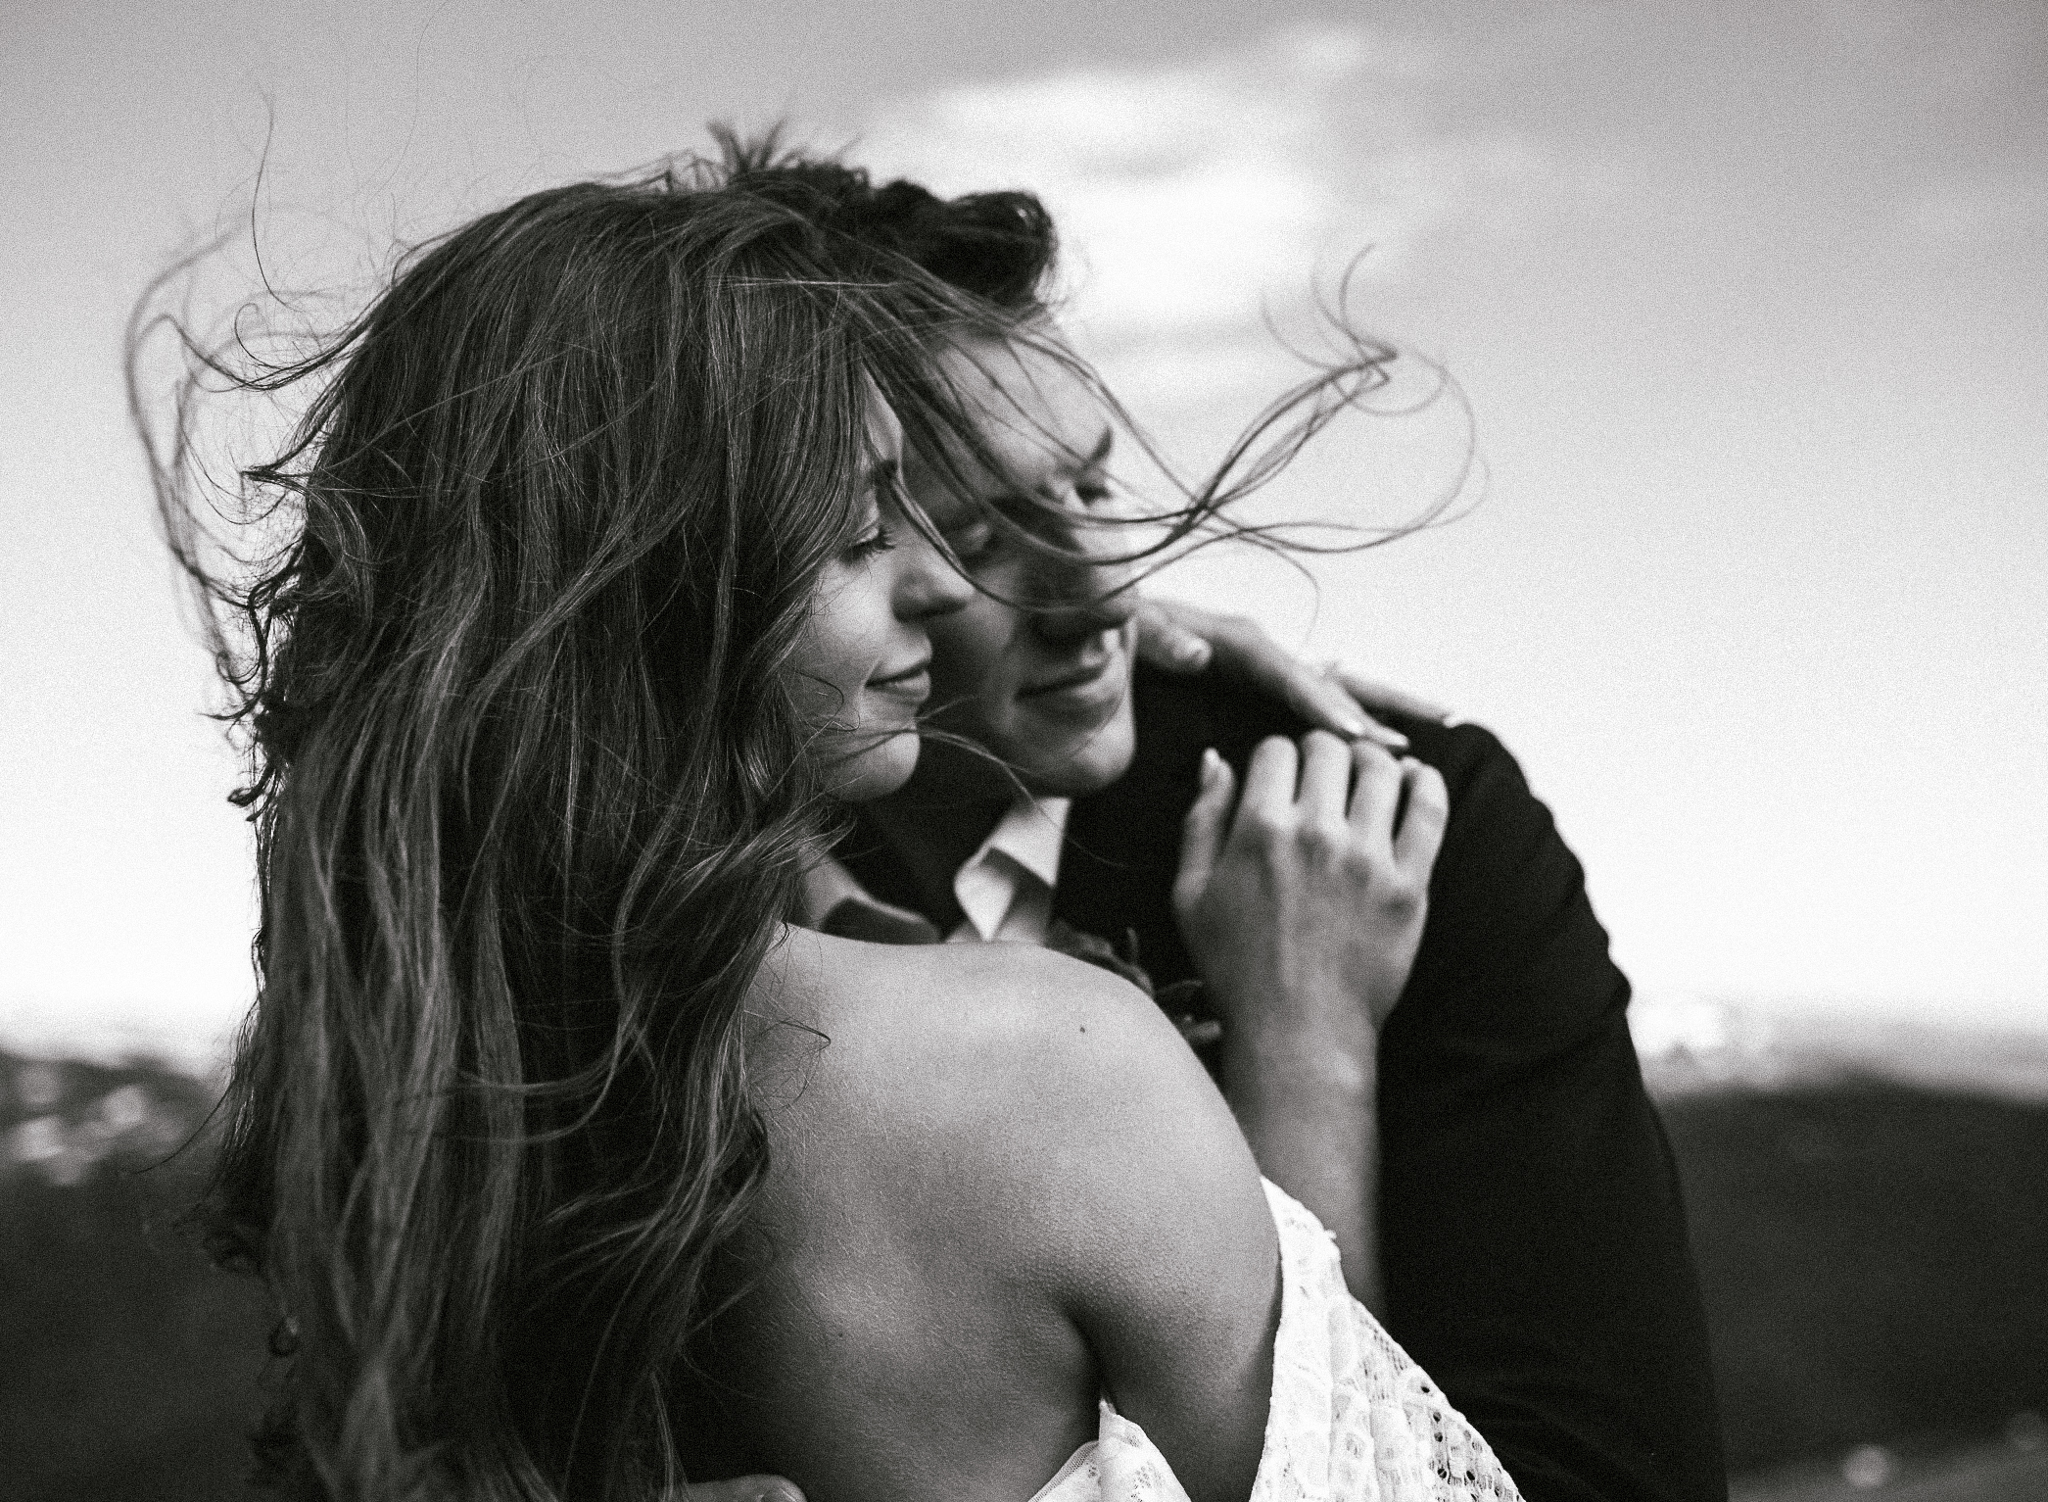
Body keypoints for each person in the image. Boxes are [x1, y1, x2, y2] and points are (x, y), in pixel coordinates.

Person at [138, 150, 1519, 1501]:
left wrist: (1086, 634)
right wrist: (1306, 1041)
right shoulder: (1055, 1073)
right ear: (680, 592)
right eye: (868, 532)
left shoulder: (427, 1098)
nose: (929, 581)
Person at [737, 158, 1730, 1502]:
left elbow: (1612, 1476)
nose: (1105, 588)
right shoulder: (713, 875)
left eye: (1093, 487)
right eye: (986, 535)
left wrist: (1309, 1052)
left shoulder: (1394, 822)